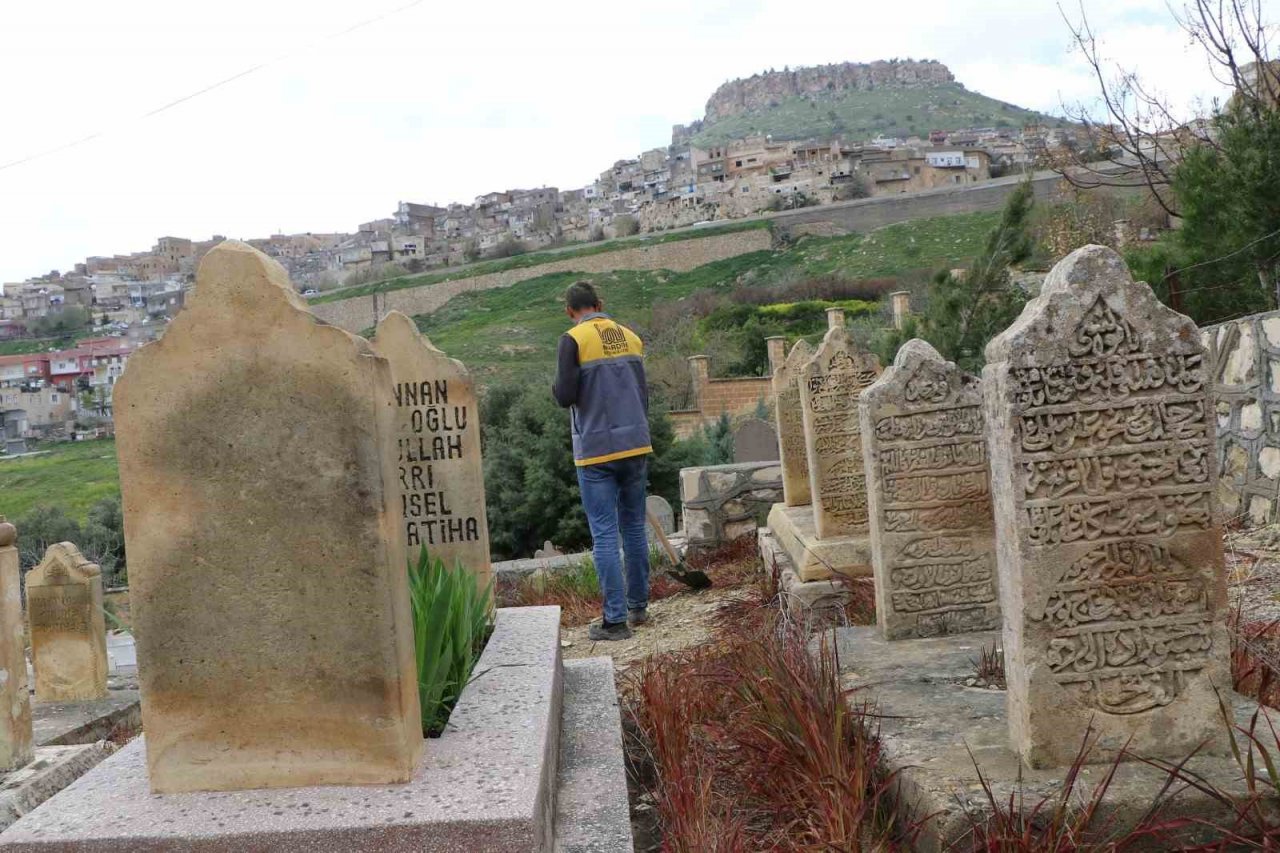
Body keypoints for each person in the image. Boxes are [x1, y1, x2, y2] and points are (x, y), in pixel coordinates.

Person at [551, 280, 651, 641]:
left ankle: (615, 620)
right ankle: (639, 607)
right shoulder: (631, 337)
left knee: (605, 533)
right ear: (600, 303)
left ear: (570, 311)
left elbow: (564, 397)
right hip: (636, 443)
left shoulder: (573, 340)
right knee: (635, 527)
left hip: (596, 451)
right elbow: (643, 393)